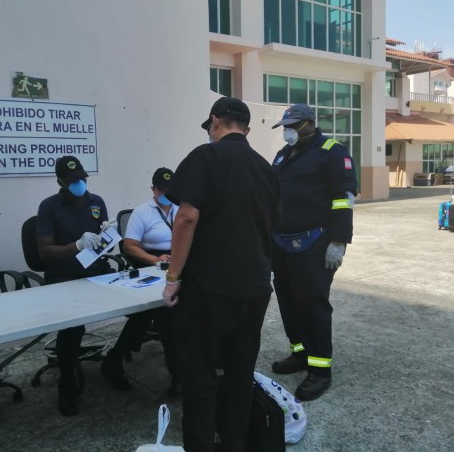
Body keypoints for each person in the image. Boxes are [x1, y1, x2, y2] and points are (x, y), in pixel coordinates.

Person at [162, 97, 280, 452]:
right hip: (256, 288)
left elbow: (185, 218)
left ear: (214, 122)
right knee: (240, 374)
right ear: (245, 128)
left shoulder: (206, 157)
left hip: (208, 290)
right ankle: (235, 444)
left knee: (199, 378)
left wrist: (172, 279)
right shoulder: (266, 169)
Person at [269, 103, 358, 401]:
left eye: (293, 125)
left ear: (309, 123)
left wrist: (339, 241)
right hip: (281, 242)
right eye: (285, 126)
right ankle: (300, 353)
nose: (288, 131)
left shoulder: (332, 151)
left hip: (315, 242)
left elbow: (343, 199)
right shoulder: (283, 155)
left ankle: (320, 369)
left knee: (313, 303)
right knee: (288, 300)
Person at [36, 155, 116, 416]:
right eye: (73, 181)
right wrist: (77, 245)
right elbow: (45, 253)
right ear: (60, 182)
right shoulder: (49, 207)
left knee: (144, 307)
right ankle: (67, 383)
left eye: (81, 179)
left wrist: (107, 235)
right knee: (72, 326)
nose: (79, 184)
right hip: (65, 275)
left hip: (97, 271)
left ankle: (115, 362)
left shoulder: (97, 203)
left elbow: (101, 245)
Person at [100, 168, 180, 395]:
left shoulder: (181, 208)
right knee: (161, 311)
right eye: (161, 190)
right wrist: (155, 259)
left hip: (179, 262)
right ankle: (178, 373)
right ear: (153, 189)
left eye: (170, 190)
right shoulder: (142, 212)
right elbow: (129, 247)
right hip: (151, 264)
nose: (166, 194)